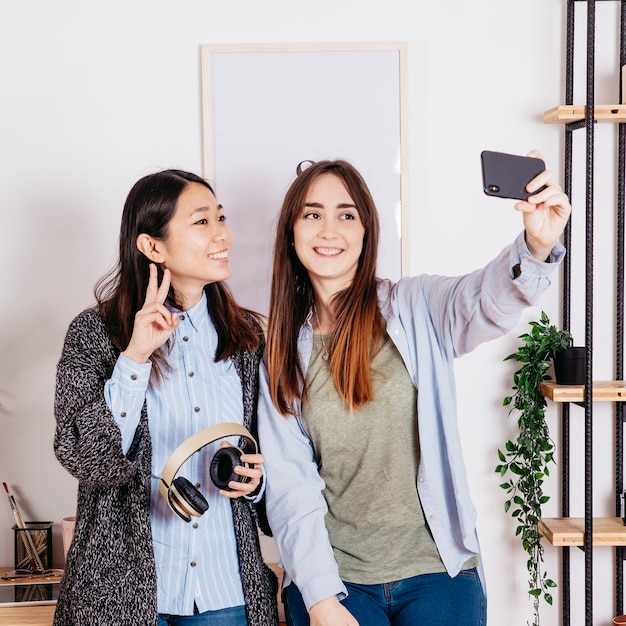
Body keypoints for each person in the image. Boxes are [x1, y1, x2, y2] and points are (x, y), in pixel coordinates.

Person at [257, 155, 571, 626]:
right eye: (312, 214)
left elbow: (488, 298)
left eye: (347, 215)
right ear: (291, 232)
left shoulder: (415, 305)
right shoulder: (282, 353)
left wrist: (535, 246)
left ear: (366, 232)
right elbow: (290, 489)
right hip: (338, 578)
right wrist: (320, 599)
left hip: (437, 574)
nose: (329, 230)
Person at [53, 170, 278, 626]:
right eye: (202, 222)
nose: (223, 235)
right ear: (152, 247)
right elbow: (88, 459)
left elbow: (277, 456)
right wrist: (135, 357)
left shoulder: (249, 339)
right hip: (118, 598)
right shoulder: (95, 334)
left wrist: (256, 483)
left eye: (221, 217)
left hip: (225, 594)